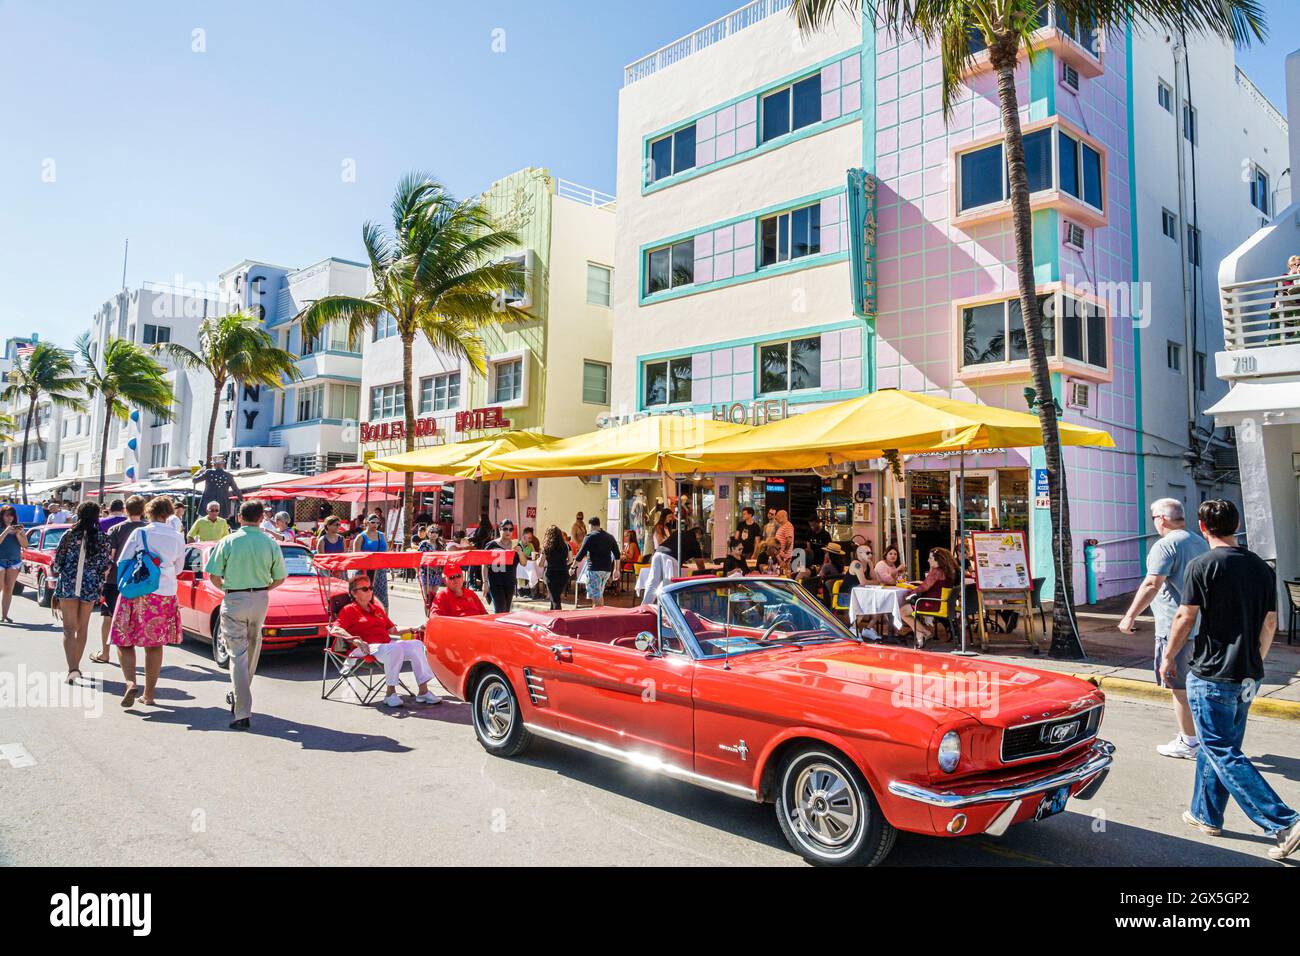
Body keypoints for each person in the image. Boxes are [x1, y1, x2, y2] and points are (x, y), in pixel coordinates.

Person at [1164, 499, 1300, 861]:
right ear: (1236, 525)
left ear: (1203, 527)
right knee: (1217, 746)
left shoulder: (1202, 565)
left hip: (1212, 673)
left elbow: (1184, 617)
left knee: (1221, 749)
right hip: (1248, 675)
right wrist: (1256, 659)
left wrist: (1167, 657)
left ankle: (1283, 821)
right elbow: (1270, 623)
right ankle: (1205, 814)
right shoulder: (1261, 567)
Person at [1119, 498, 1210, 760]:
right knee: (1192, 684)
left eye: (1154, 519)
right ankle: (1197, 736)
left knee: (1178, 686)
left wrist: (1130, 616)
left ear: (1161, 519)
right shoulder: (1197, 541)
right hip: (1199, 625)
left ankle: (1189, 741)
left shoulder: (1166, 545)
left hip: (1176, 627)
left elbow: (1151, 584)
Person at [206, 501, 287, 729]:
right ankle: (240, 696)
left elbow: (213, 576)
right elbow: (280, 578)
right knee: (252, 650)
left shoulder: (229, 541)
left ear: (239, 517)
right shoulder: (270, 543)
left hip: (235, 597)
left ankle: (242, 709)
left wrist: (229, 589)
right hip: (260, 598)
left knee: (238, 655)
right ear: (262, 518)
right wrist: (263, 589)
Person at [110, 497, 186, 708]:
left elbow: (122, 560)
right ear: (169, 513)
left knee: (124, 639)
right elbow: (179, 568)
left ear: (148, 512)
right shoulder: (178, 537)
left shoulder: (140, 532)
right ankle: (149, 694)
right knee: (154, 645)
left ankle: (130, 682)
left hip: (136, 590)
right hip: (164, 593)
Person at [332, 574, 440, 708]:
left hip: (385, 646)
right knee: (394, 649)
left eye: (371, 588)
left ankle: (423, 691)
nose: (370, 591)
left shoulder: (376, 609)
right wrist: (355, 640)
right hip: (365, 648)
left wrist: (414, 628)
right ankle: (390, 694)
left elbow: (393, 630)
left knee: (416, 645)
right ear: (354, 593)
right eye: (365, 589)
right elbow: (335, 629)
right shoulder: (349, 610)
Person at [51, 502, 114, 684]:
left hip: (68, 584)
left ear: (78, 514)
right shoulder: (102, 537)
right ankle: (76, 666)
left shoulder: (69, 535)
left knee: (69, 629)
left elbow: (57, 562)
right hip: (90, 585)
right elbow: (105, 564)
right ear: (97, 516)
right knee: (83, 627)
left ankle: (72, 669)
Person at [89, 495, 148, 666]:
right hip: (140, 581)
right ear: (143, 510)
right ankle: (140, 657)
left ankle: (105, 653)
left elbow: (110, 558)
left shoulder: (115, 529)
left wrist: (102, 579)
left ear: (125, 510)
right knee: (137, 619)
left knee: (108, 617)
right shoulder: (147, 529)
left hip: (116, 580)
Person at [899, 547, 958, 649]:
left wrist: (910, 592)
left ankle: (926, 632)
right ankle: (919, 635)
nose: (928, 560)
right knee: (905, 611)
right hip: (941, 602)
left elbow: (923, 587)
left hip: (931, 603)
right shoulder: (948, 571)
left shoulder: (936, 572)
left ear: (938, 560)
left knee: (902, 611)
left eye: (930, 558)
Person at [574, 516, 621, 608]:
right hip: (606, 571)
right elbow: (617, 554)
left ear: (591, 526)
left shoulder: (589, 537)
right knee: (599, 594)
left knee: (596, 597)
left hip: (594, 570)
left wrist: (572, 567)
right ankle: (600, 614)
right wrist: (616, 569)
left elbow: (580, 554)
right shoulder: (609, 537)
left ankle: (597, 617)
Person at [484, 521, 524, 613]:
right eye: (505, 529)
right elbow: (485, 564)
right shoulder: (491, 545)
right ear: (500, 529)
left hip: (509, 582)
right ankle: (497, 627)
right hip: (495, 582)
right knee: (500, 609)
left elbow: (523, 563)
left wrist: (520, 552)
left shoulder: (516, 545)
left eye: (510, 529)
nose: (508, 532)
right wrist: (485, 582)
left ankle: (501, 627)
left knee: (506, 610)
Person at [352, 513, 390, 607]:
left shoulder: (382, 536)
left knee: (382, 597)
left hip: (380, 570)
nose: (375, 525)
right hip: (364, 570)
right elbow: (355, 556)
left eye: (377, 523)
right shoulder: (361, 537)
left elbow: (387, 551)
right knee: (363, 596)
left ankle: (383, 620)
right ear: (367, 523)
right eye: (373, 522)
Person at [0, 505, 29, 624]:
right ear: (2, 516)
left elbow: (25, 545)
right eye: (7, 515)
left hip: (14, 561)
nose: (10, 518)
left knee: (8, 589)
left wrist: (18, 534)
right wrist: (6, 531)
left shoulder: (19, 528)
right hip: (0, 560)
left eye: (12, 515)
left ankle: (4, 616)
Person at [640, 539, 679, 606]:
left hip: (657, 553)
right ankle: (666, 608)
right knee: (668, 584)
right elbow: (700, 563)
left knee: (652, 582)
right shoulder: (694, 542)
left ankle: (644, 606)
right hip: (670, 557)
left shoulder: (676, 534)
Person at [540, 525, 571, 610]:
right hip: (563, 574)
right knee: (555, 597)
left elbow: (540, 563)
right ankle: (552, 616)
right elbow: (570, 560)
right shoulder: (566, 546)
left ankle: (558, 619)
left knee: (555, 600)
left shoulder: (546, 547)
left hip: (551, 574)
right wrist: (562, 564)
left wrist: (548, 563)